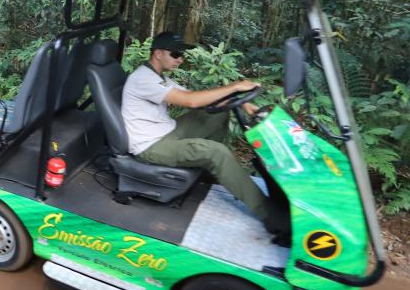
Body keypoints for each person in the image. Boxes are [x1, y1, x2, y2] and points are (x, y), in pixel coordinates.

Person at [121, 31, 288, 240]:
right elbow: (190, 101)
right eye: (176, 54)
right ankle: (271, 215)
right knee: (216, 152)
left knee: (217, 114)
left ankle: (207, 171)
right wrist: (235, 86)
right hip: (150, 145)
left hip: (168, 131)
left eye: (182, 55)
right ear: (158, 53)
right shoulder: (142, 79)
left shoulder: (160, 78)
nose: (180, 59)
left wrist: (243, 103)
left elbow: (202, 99)